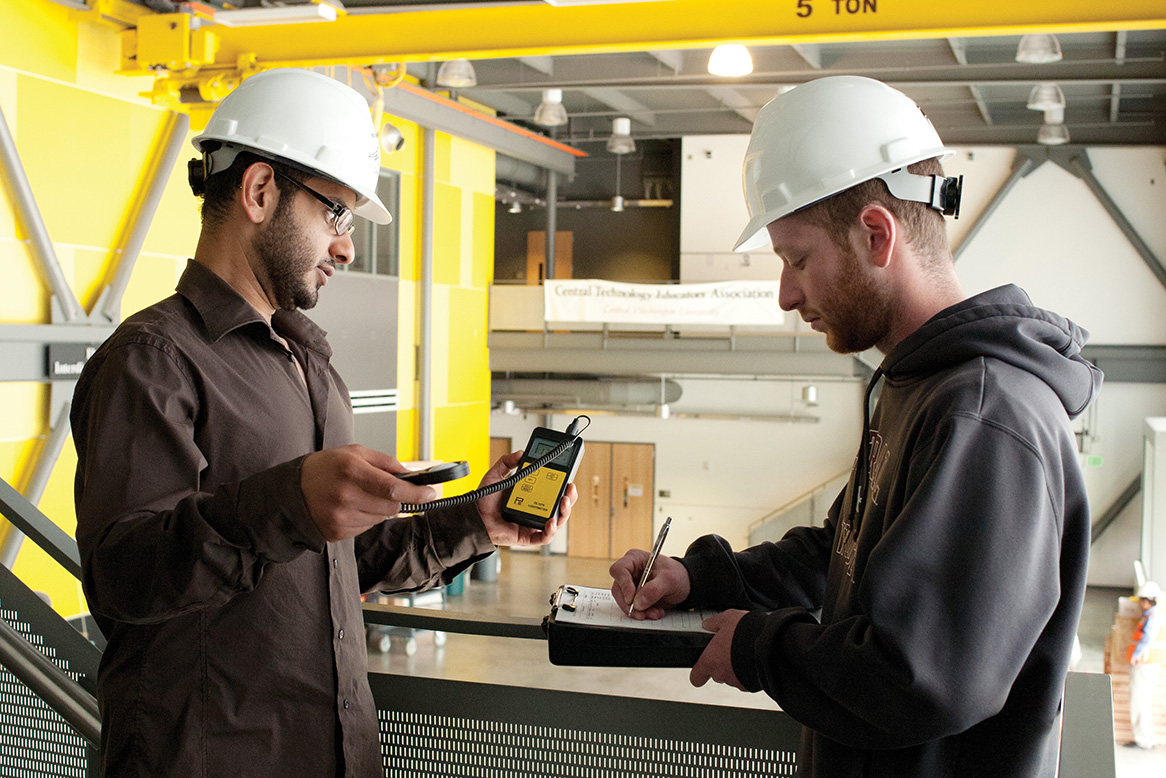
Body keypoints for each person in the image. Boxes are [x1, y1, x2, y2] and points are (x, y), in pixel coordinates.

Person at [71, 68, 576, 777]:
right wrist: (286, 503)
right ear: (258, 191)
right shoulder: (152, 361)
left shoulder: (308, 364)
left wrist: (477, 524)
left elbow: (340, 564)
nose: (346, 246)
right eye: (335, 214)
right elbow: (124, 578)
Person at [610, 76, 1101, 778]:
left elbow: (919, 677)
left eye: (797, 258)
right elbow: (839, 556)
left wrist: (756, 647)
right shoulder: (914, 385)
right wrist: (700, 578)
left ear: (877, 234)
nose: (786, 293)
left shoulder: (986, 416)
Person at [1128, 580, 1164, 749]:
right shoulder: (1152, 616)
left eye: (1141, 600)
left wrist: (1135, 656)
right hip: (1147, 664)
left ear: (1147, 601)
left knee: (1139, 701)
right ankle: (1146, 738)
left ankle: (1143, 739)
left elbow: (1146, 639)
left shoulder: (1152, 618)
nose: (1139, 604)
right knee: (1143, 701)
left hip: (1144, 664)